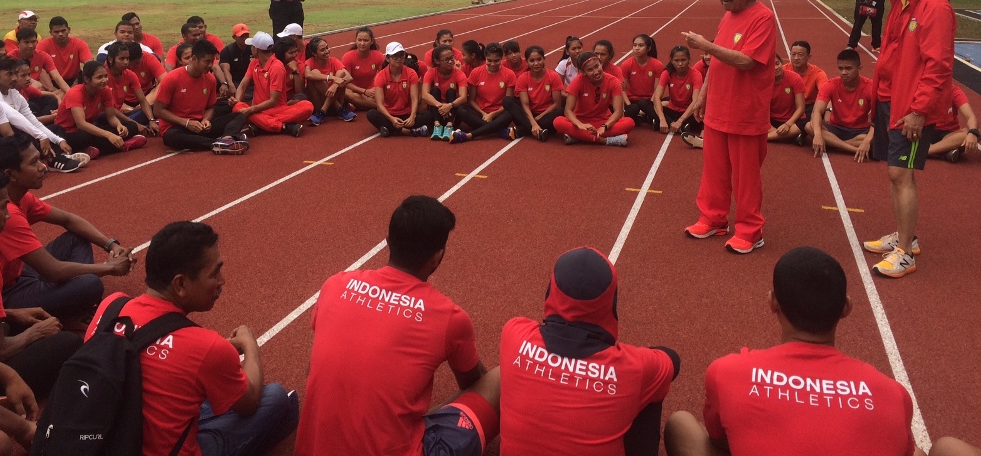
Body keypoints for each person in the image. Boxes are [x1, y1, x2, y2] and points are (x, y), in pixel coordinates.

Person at [294, 195, 500, 456]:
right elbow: (473, 381)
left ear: (388, 242)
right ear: (437, 257)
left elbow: (314, 370)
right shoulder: (448, 317)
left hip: (312, 450)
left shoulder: (334, 285)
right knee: (500, 381)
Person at [664, 247, 918, 456]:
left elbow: (720, 441)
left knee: (681, 425)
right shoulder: (893, 394)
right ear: (846, 307)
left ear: (773, 302)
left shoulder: (728, 372)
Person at [86, 221, 299, 456]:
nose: (222, 281)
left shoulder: (112, 306)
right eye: (214, 273)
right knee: (275, 398)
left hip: (103, 440)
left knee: (198, 387)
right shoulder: (205, 346)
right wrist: (250, 344)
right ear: (180, 284)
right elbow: (249, 403)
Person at [500, 247, 679, 456]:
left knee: (504, 373)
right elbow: (673, 361)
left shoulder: (514, 333)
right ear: (611, 303)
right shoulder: (633, 367)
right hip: (632, 369)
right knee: (653, 387)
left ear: (551, 291)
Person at [864, 0, 956, 279]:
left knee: (901, 174)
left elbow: (939, 66)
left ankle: (905, 252)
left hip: (910, 106)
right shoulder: (903, 0)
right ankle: (905, 237)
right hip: (890, 97)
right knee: (895, 172)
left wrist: (919, 110)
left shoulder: (934, 6)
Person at [0, 165, 82, 399]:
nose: (8, 215)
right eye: (3, 207)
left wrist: (10, 313)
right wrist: (34, 333)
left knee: (9, 324)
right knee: (67, 342)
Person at [682, 0, 776, 254]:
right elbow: (718, 63)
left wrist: (705, 45)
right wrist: (703, 95)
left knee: (746, 178)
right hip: (718, 110)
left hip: (745, 113)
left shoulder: (763, 18)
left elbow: (747, 61)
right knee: (714, 171)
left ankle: (750, 231)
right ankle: (713, 218)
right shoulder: (728, 16)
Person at [0, 135, 132, 319]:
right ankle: (72, 305)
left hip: (19, 272)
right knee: (91, 284)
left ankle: (73, 299)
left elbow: (68, 219)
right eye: (34, 163)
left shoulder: (20, 197)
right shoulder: (6, 213)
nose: (43, 167)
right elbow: (54, 272)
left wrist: (111, 244)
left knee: (77, 237)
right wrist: (110, 268)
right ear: (10, 174)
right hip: (5, 294)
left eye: (40, 158)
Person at [0, 54, 82, 173]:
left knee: (55, 129)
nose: (14, 78)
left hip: (10, 135)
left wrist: (58, 140)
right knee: (23, 135)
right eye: (9, 74)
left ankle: (55, 158)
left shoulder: (15, 95)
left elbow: (33, 121)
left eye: (15, 74)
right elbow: (13, 117)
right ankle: (52, 159)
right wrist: (41, 136)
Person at [154, 39, 250, 154]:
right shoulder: (172, 79)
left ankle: (226, 139)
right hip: (178, 127)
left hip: (200, 125)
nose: (210, 65)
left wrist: (206, 120)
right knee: (171, 137)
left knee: (240, 115)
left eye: (212, 61)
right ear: (194, 59)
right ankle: (216, 143)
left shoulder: (210, 79)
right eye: (207, 61)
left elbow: (210, 107)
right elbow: (158, 111)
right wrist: (187, 123)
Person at [51, 61, 147, 158]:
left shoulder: (105, 91)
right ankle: (125, 145)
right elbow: (81, 124)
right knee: (85, 137)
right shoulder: (75, 93)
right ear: (87, 79)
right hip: (68, 133)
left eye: (105, 76)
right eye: (99, 77)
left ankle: (95, 149)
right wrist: (108, 135)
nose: (104, 80)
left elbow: (112, 117)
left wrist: (119, 125)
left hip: (90, 129)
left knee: (131, 126)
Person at [231, 32, 313, 137]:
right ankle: (284, 126)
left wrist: (250, 110)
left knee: (308, 106)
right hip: (260, 110)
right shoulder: (254, 63)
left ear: (256, 50)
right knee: (237, 106)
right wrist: (237, 100)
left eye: (252, 46)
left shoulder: (276, 67)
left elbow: (273, 101)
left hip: (275, 109)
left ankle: (261, 124)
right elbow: (242, 86)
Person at [554, 52, 634, 147]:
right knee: (558, 122)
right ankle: (606, 140)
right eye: (590, 70)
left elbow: (618, 112)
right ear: (583, 72)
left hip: (604, 122)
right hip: (582, 122)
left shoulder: (613, 81)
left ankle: (578, 137)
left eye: (597, 66)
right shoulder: (578, 81)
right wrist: (580, 125)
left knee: (629, 122)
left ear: (601, 63)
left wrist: (604, 127)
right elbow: (568, 111)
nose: (596, 72)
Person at [808, 48, 874, 161]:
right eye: (840, 68)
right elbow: (817, 111)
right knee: (809, 127)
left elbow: (879, 119)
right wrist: (818, 135)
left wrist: (867, 141)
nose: (844, 72)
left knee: (874, 139)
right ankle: (852, 149)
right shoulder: (831, 84)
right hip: (836, 128)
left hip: (859, 131)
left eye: (848, 68)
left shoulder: (870, 87)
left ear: (859, 68)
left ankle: (833, 144)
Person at [450, 42, 517, 143]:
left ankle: (470, 135)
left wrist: (492, 114)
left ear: (501, 58)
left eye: (496, 61)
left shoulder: (509, 74)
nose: (493, 64)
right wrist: (483, 113)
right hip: (480, 114)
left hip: (499, 114)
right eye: (489, 60)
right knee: (461, 109)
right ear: (485, 57)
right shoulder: (476, 72)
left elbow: (509, 102)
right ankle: (499, 131)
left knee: (510, 113)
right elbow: (471, 100)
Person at [367, 42, 431, 137]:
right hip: (389, 114)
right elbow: (379, 104)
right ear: (388, 58)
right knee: (371, 114)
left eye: (401, 55)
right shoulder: (381, 76)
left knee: (429, 115)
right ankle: (405, 130)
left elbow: (414, 99)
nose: (399, 59)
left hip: (407, 114)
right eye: (395, 56)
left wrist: (412, 116)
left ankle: (390, 129)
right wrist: (392, 119)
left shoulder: (411, 73)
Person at [505, 45, 563, 141]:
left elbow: (557, 103)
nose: (536, 63)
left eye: (539, 59)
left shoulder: (553, 76)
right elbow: (525, 104)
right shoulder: (523, 78)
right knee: (507, 101)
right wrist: (533, 122)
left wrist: (538, 118)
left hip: (546, 114)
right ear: (526, 62)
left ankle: (523, 129)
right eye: (532, 61)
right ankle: (539, 130)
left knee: (561, 110)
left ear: (544, 59)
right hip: (529, 113)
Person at [104, 42, 160, 132]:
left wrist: (151, 120)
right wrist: (135, 124)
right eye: (122, 59)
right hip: (106, 117)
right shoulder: (103, 77)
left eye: (127, 58)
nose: (126, 62)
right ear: (111, 59)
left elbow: (142, 101)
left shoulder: (130, 75)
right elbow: (110, 110)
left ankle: (135, 131)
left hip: (122, 117)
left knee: (155, 109)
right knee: (131, 127)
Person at [653, 46, 703, 139]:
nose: (680, 64)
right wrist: (662, 119)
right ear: (671, 61)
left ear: (689, 59)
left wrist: (680, 121)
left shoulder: (696, 75)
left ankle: (681, 126)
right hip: (673, 110)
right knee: (648, 105)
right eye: (676, 60)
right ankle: (678, 126)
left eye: (683, 60)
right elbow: (657, 97)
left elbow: (695, 101)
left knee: (703, 117)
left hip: (688, 113)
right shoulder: (667, 73)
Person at [304, 37, 356, 125]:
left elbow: (349, 77)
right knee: (315, 73)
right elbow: (308, 75)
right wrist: (331, 78)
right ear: (314, 53)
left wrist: (335, 85)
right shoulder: (310, 62)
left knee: (341, 73)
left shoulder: (334, 61)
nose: (327, 51)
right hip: (319, 103)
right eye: (322, 50)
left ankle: (322, 112)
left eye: (327, 47)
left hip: (333, 98)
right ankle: (339, 108)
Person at [421, 45, 468, 141]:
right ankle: (437, 125)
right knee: (434, 91)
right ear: (437, 61)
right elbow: (424, 94)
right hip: (437, 111)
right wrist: (441, 106)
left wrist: (449, 106)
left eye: (452, 58)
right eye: (446, 60)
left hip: (452, 112)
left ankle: (449, 126)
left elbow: (463, 97)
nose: (451, 61)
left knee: (451, 92)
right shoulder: (430, 73)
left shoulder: (459, 74)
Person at [11, 28, 70, 98]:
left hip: (36, 91)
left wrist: (71, 93)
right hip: (17, 92)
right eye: (26, 42)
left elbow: (57, 77)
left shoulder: (43, 56)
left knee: (64, 91)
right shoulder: (10, 58)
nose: (30, 45)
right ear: (18, 44)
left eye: (33, 42)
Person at [621, 33, 665, 128]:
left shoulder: (657, 65)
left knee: (666, 103)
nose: (637, 48)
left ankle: (642, 118)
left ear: (648, 48)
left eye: (641, 45)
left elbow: (657, 90)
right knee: (632, 109)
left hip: (649, 101)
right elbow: (622, 89)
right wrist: (629, 105)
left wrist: (651, 104)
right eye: (634, 45)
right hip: (632, 102)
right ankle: (646, 118)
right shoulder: (626, 64)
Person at [35, 16, 92, 85]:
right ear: (51, 32)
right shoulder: (43, 45)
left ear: (69, 30)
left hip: (74, 80)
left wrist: (77, 81)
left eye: (63, 31)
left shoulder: (79, 43)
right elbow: (38, 68)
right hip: (51, 82)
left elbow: (90, 64)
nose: (60, 34)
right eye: (56, 32)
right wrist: (51, 89)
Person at [928, 84, 979, 163]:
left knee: (973, 133)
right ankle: (944, 152)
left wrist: (973, 132)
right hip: (926, 131)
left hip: (948, 135)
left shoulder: (954, 91)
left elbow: (970, 116)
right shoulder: (924, 89)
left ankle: (927, 152)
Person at [341, 26, 385, 110]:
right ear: (356, 40)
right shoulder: (348, 57)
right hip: (354, 91)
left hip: (372, 92)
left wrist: (375, 89)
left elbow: (384, 77)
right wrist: (364, 91)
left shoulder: (378, 55)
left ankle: (359, 104)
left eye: (365, 40)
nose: (362, 43)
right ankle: (380, 107)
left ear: (371, 41)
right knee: (345, 92)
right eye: (359, 40)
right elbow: (346, 82)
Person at [767, 54, 807, 146]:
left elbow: (801, 108)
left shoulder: (795, 78)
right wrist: (769, 125)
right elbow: (762, 108)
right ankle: (788, 137)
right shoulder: (764, 81)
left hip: (793, 121)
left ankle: (768, 137)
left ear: (782, 63)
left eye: (777, 63)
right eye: (771, 66)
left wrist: (788, 124)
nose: (776, 68)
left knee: (805, 124)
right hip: (772, 120)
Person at [784, 41, 828, 106]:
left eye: (800, 54)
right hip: (788, 105)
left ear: (808, 56)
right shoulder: (783, 70)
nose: (796, 58)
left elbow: (825, 93)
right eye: (793, 54)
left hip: (809, 106)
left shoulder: (818, 73)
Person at [219, 24, 253, 100]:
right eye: (241, 36)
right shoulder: (227, 51)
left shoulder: (253, 48)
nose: (245, 38)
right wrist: (231, 85)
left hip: (251, 81)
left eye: (246, 35)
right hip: (235, 81)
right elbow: (226, 70)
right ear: (234, 37)